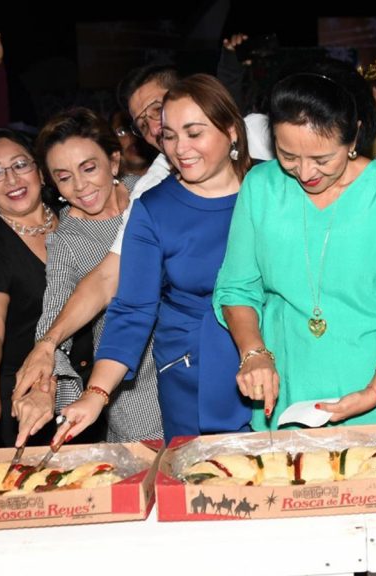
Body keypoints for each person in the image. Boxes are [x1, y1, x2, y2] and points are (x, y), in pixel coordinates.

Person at [214, 62, 376, 429]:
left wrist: (375, 391)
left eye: (322, 159)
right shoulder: (261, 187)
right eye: (288, 156)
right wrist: (253, 352)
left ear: (353, 139)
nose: (305, 173)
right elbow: (238, 287)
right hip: (291, 390)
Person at [56, 75, 252, 443]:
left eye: (194, 133)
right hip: (193, 376)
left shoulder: (272, 187)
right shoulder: (154, 208)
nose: (180, 149)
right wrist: (96, 393)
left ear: (231, 130)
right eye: (170, 136)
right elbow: (132, 309)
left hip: (279, 361)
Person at [11, 67, 178, 429]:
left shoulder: (155, 192)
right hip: (128, 382)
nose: (80, 186)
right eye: (64, 177)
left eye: (88, 168)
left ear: (113, 161)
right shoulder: (67, 240)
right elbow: (54, 315)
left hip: (190, 359)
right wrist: (44, 380)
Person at [0, 128, 60, 448]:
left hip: (92, 388)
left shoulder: (76, 216)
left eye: (20, 165)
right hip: (25, 396)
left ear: (40, 171)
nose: (11, 179)